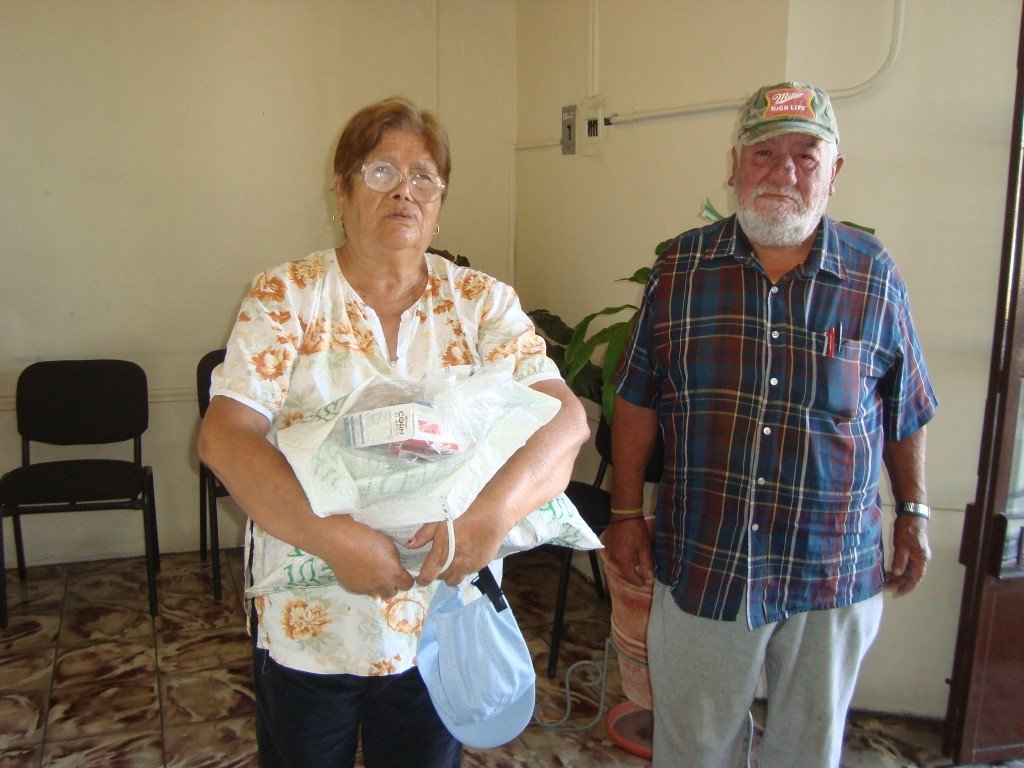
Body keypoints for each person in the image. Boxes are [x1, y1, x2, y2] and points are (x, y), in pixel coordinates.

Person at [198, 97, 588, 768]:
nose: (405, 191)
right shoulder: (287, 296)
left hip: (440, 617)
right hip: (312, 620)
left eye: (424, 177)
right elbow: (225, 437)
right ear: (343, 190)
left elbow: (565, 420)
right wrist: (331, 537)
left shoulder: (481, 303)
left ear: (440, 201)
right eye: (381, 171)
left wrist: (489, 520)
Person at [601, 82, 937, 768]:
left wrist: (915, 512)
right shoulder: (681, 269)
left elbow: (905, 407)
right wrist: (627, 513)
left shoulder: (873, 276)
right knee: (694, 749)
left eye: (805, 156)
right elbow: (637, 396)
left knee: (808, 750)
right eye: (763, 153)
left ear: (833, 172)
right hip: (707, 560)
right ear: (735, 165)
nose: (783, 171)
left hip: (832, 570)